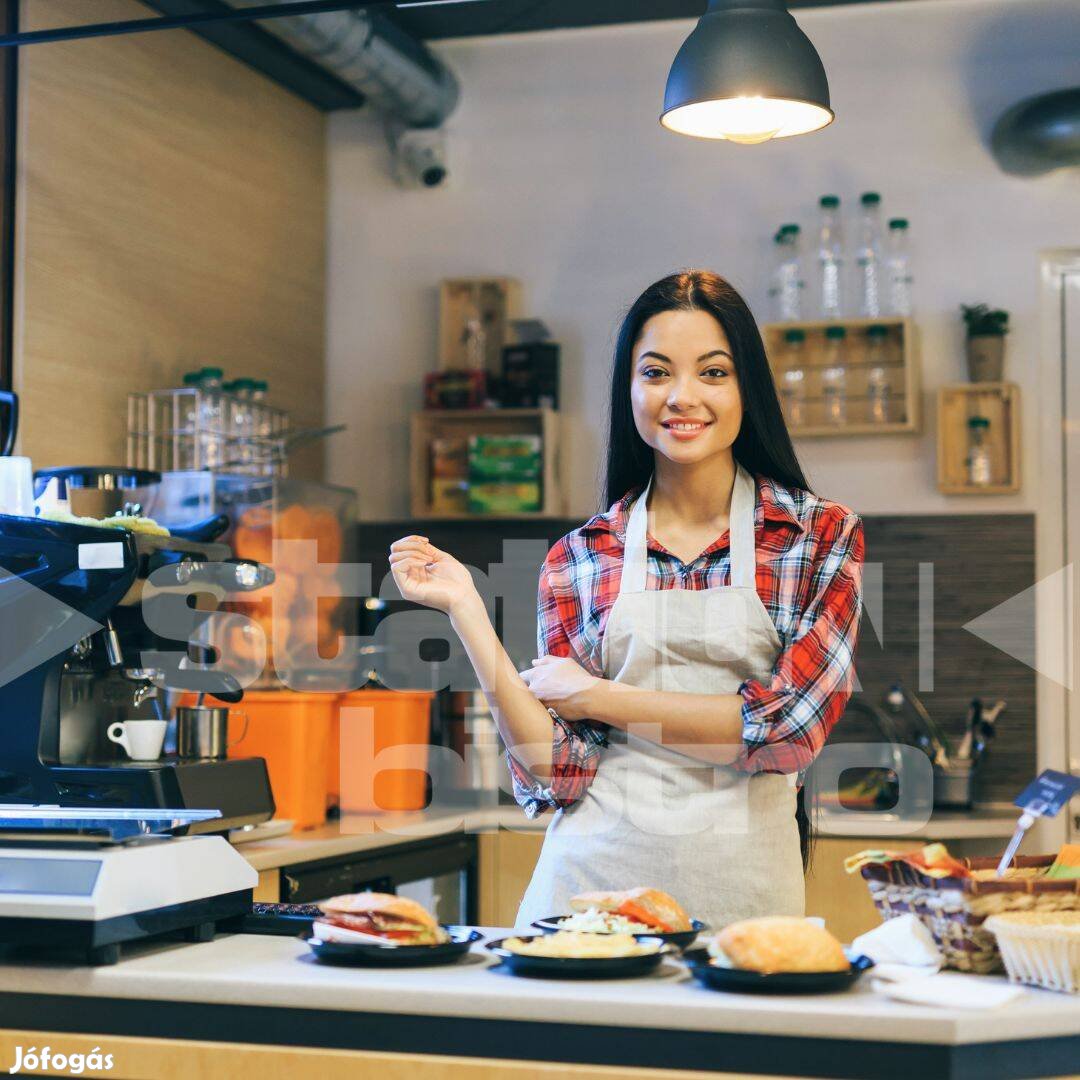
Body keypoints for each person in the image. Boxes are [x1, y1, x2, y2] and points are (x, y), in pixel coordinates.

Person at [390, 270, 864, 929]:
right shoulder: (580, 557)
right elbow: (557, 775)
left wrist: (596, 697)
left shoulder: (815, 537)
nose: (683, 396)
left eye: (713, 372)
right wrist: (467, 610)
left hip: (745, 906)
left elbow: (786, 735)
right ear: (630, 388)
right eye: (657, 372)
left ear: (747, 386)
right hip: (586, 899)